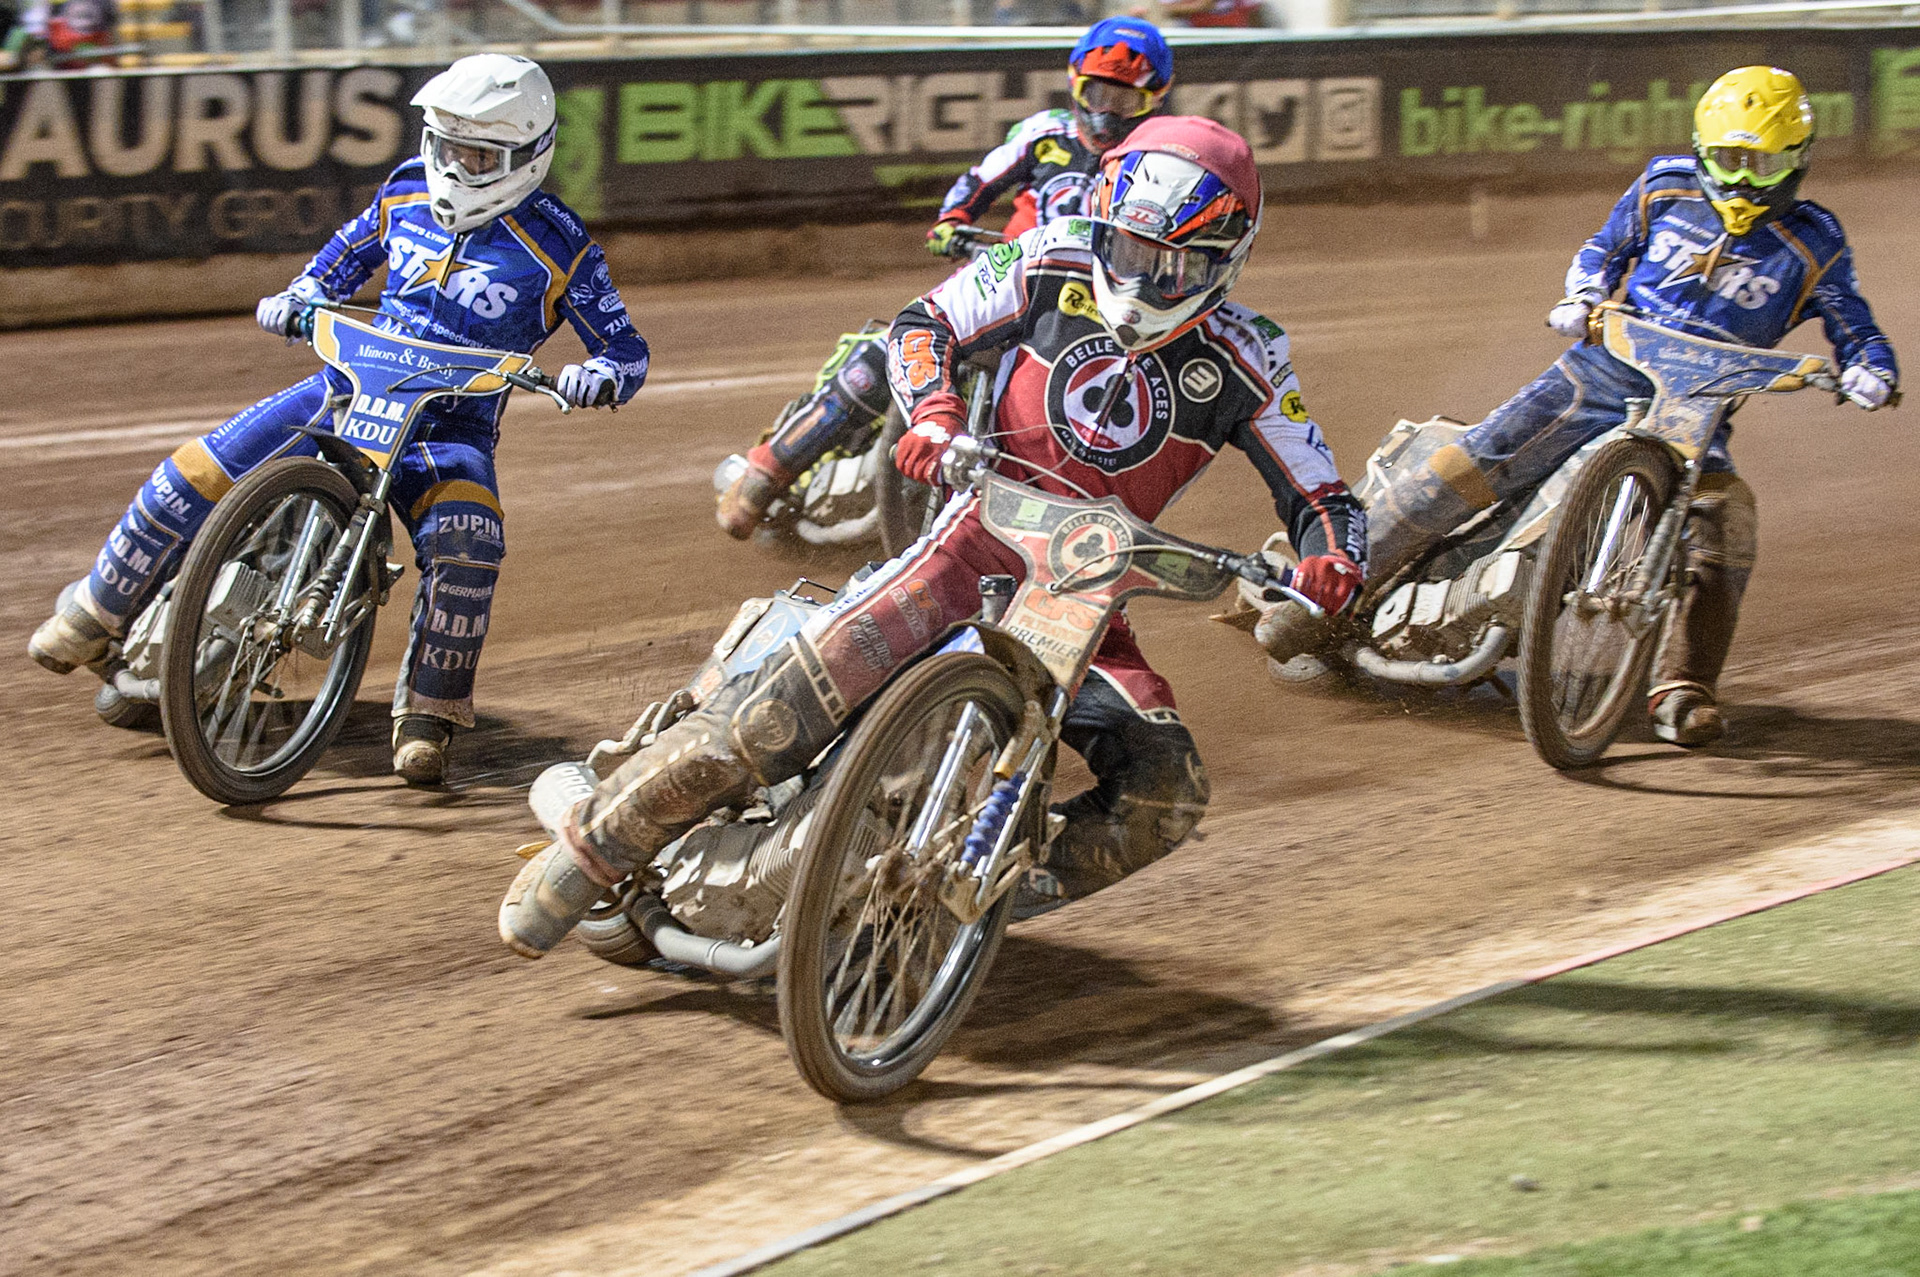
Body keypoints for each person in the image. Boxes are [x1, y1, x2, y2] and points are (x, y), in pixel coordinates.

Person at [500, 116, 1366, 958]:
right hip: (974, 544)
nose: (1145, 276)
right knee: (776, 713)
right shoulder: (1048, 256)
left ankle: (967, 897)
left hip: (1090, 600)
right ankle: (590, 853)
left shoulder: (1252, 356)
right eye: (1131, 249)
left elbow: (1322, 490)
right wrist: (935, 413)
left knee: (1166, 794)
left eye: (1174, 263)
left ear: (1228, 257)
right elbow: (923, 324)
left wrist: (1334, 559)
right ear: (1104, 222)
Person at [28, 53, 649, 786]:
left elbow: (625, 348)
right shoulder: (406, 188)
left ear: (528, 155)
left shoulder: (561, 246)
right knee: (194, 470)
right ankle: (93, 612)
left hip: (447, 431)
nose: (456, 166)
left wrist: (600, 375)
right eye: (447, 145)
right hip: (345, 389)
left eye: (479, 155)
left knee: (469, 543)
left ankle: (428, 716)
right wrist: (304, 293)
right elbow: (345, 255)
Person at [1363, 66, 1898, 748]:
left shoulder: (1815, 240)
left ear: (1797, 159)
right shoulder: (1665, 184)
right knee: (1483, 452)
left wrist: (1873, 371)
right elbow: (1603, 249)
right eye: (1728, 160)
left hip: (1699, 412)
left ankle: (1683, 687)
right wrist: (1584, 294)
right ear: (1702, 151)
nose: (1742, 181)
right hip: (1603, 369)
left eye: (1762, 165)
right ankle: (1339, 580)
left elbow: (1856, 326)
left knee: (1726, 523)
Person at [713, 17, 1175, 540]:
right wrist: (954, 221)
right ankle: (766, 472)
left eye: (1125, 101)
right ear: (1074, 85)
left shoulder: (1162, 161)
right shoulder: (1045, 133)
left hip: (1085, 313)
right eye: (1097, 94)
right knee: (889, 351)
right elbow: (979, 181)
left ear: (1154, 100)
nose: (1106, 114)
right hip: (1003, 281)